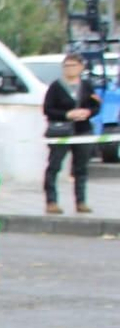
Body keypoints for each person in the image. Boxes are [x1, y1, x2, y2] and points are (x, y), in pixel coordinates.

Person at [42, 53, 101, 215]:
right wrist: (67, 114)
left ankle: (81, 201)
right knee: (54, 166)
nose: (70, 69)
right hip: (61, 131)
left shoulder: (86, 86)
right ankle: (51, 201)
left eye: (73, 66)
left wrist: (87, 112)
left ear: (81, 67)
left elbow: (96, 105)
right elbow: (48, 109)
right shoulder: (56, 86)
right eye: (66, 66)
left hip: (82, 130)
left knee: (81, 167)